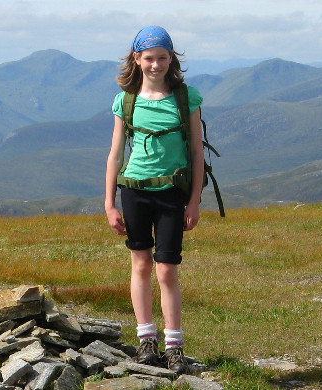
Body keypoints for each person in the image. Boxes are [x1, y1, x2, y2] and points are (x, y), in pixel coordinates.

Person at [104, 25, 204, 373]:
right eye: (149, 58)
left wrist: (194, 201)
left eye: (162, 57)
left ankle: (174, 346)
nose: (156, 65)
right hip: (134, 191)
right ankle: (146, 341)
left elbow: (197, 153)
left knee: (167, 269)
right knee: (141, 264)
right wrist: (109, 203)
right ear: (137, 59)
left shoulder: (187, 98)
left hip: (172, 192)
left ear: (171, 58)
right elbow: (115, 154)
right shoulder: (125, 101)